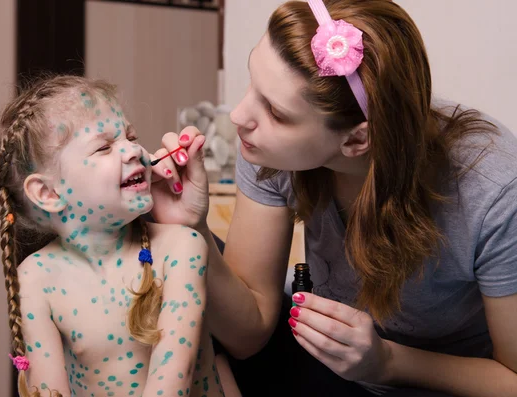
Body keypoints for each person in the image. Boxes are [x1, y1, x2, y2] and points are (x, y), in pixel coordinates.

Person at [150, 0, 517, 396]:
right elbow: (249, 333)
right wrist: (192, 227)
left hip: (434, 385)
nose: (240, 115)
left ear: (357, 139)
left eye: (275, 111)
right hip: (329, 367)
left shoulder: (492, 189)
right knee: (180, 255)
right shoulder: (266, 148)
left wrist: (387, 363)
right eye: (252, 81)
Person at [0, 75, 226, 397]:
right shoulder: (35, 280)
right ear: (47, 192)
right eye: (104, 147)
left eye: (130, 136)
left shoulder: (180, 247)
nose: (133, 150)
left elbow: (172, 386)